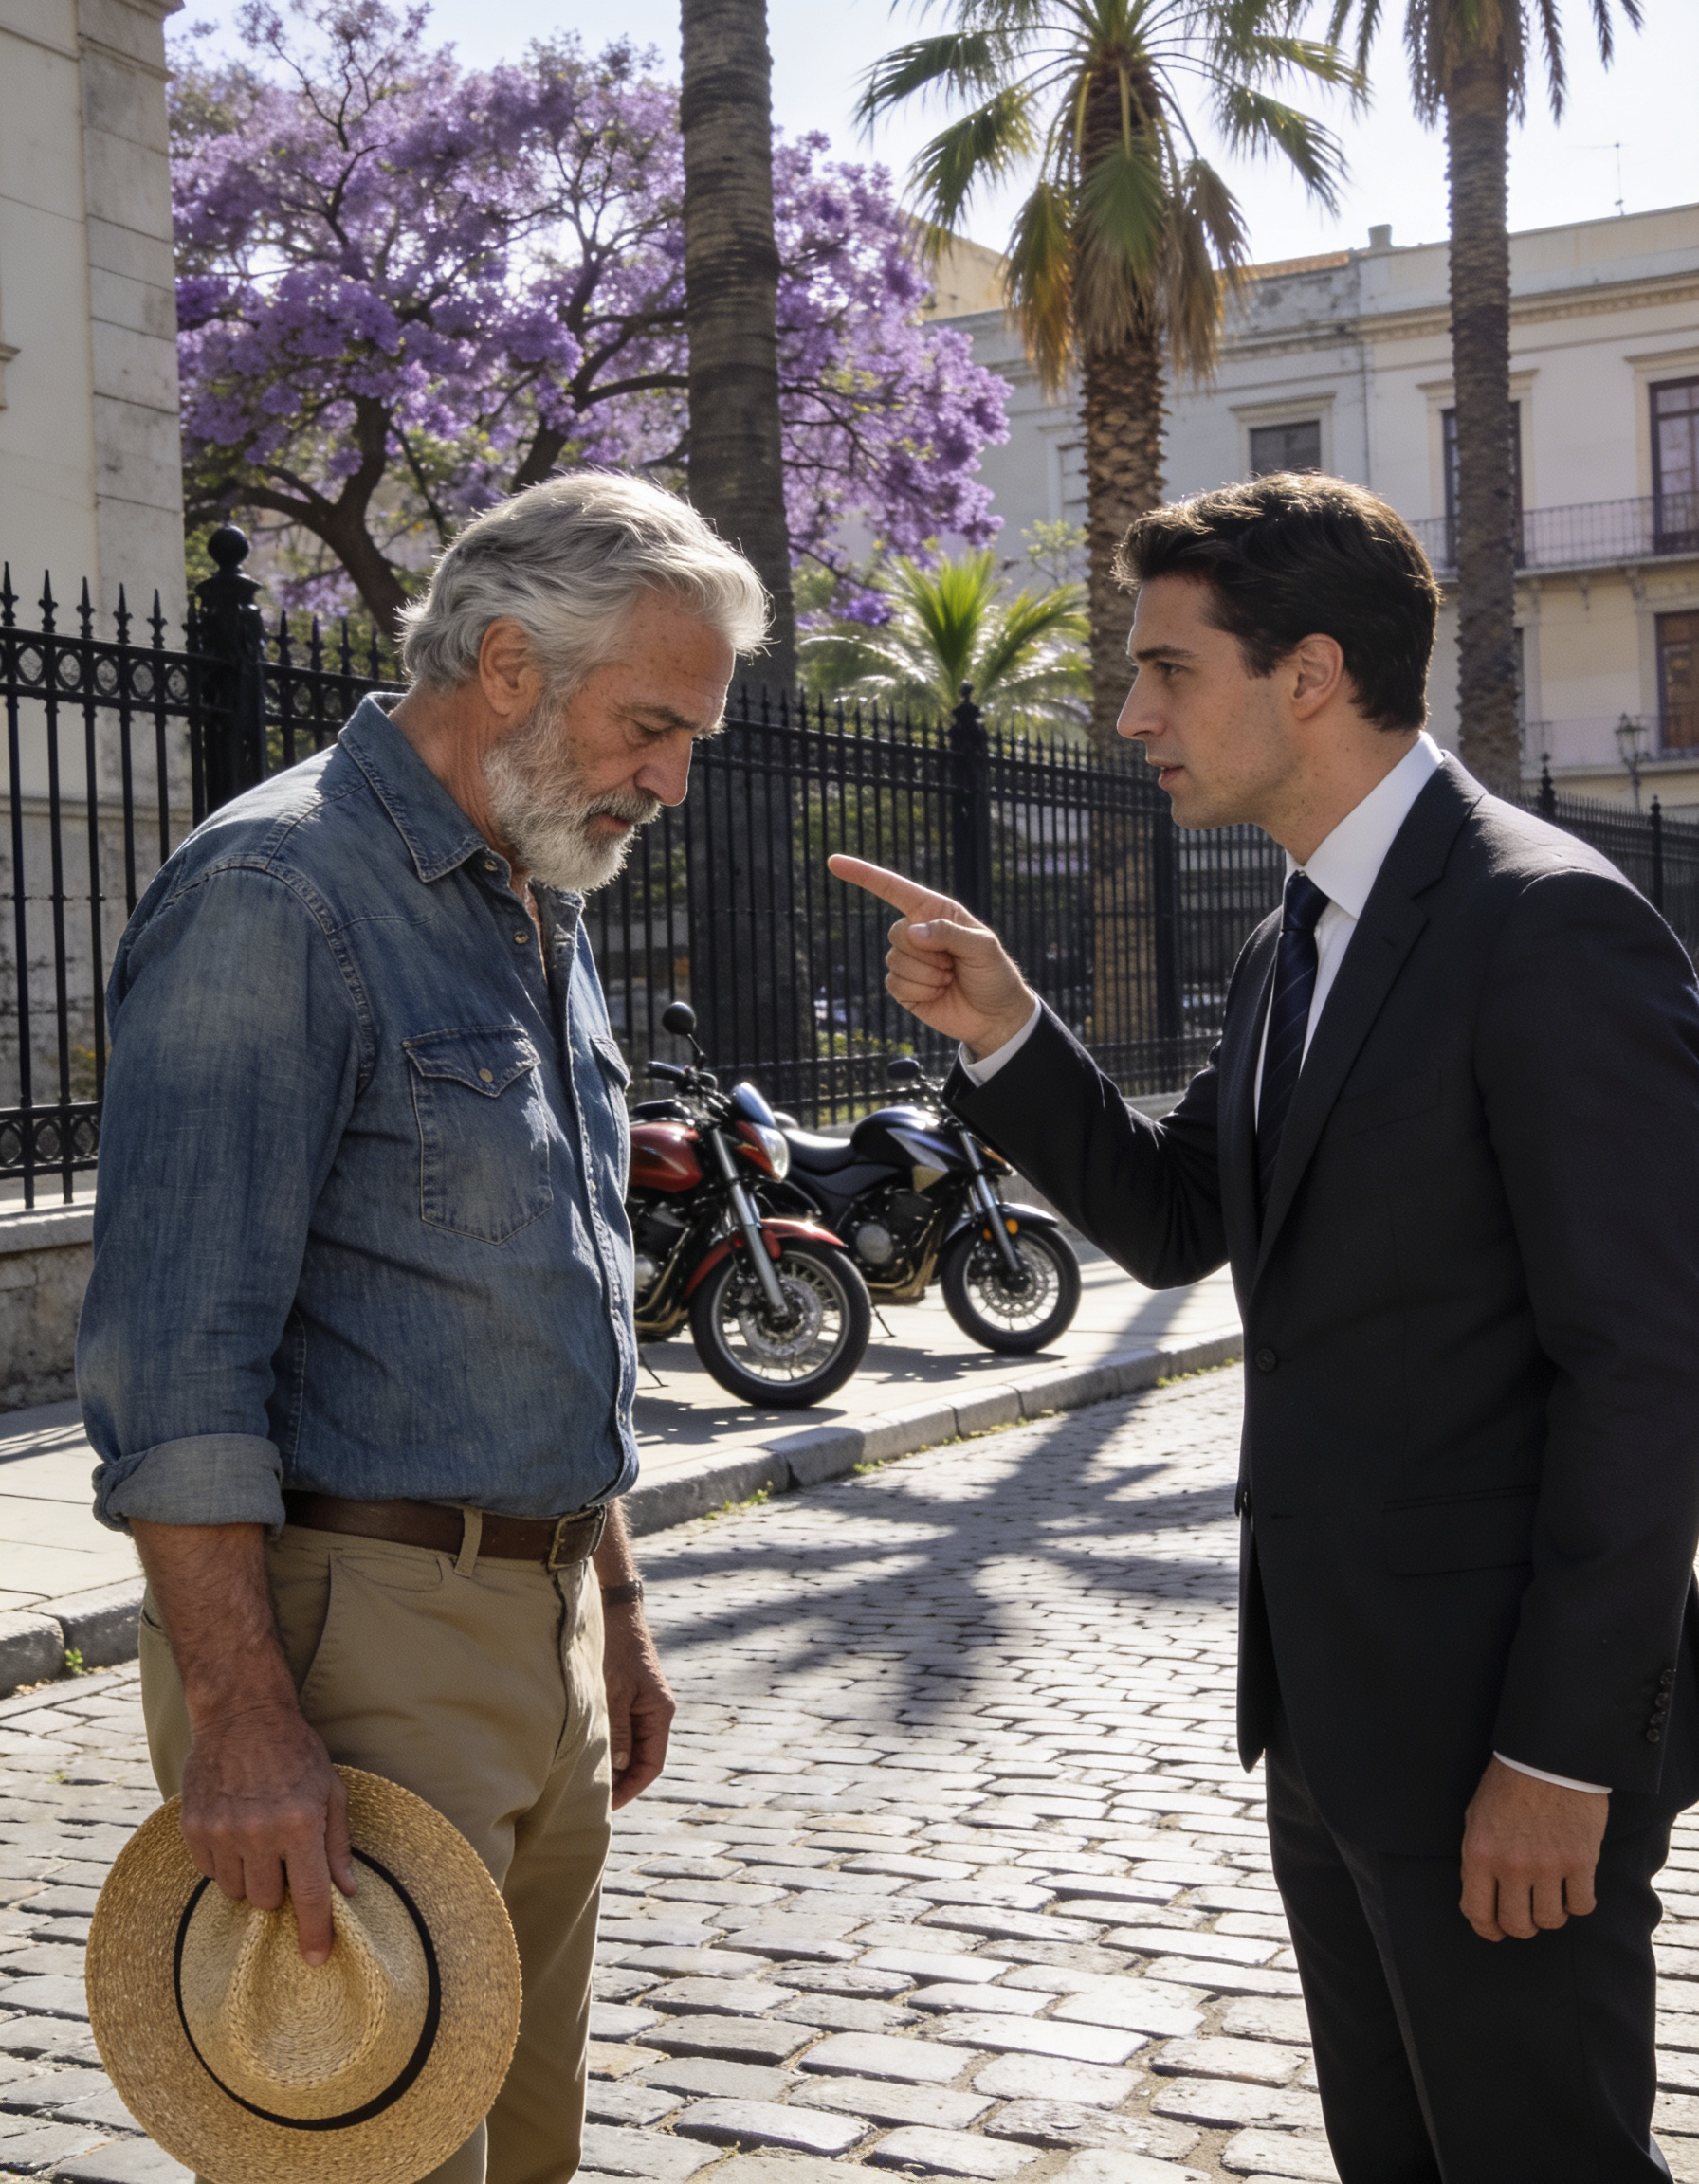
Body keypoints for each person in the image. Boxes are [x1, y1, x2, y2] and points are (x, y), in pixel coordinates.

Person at [830, 472, 1699, 2184]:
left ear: (1309, 674)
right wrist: (1009, 1028)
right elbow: (1180, 1221)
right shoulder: (1294, 936)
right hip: (1333, 1723)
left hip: (1502, 1742)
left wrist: (1560, 1757)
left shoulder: (1547, 926)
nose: (1132, 715)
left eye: (1167, 669)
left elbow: (1650, 1374)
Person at [78, 470, 769, 2184]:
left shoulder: (541, 893)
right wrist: (243, 1716)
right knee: (374, 2163)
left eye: (691, 739)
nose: (672, 782)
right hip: (353, 1644)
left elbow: (554, 1287)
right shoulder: (277, 893)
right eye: (653, 727)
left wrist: (614, 1607)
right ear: (510, 665)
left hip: (545, 1631)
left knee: (524, 2152)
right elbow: (174, 1360)